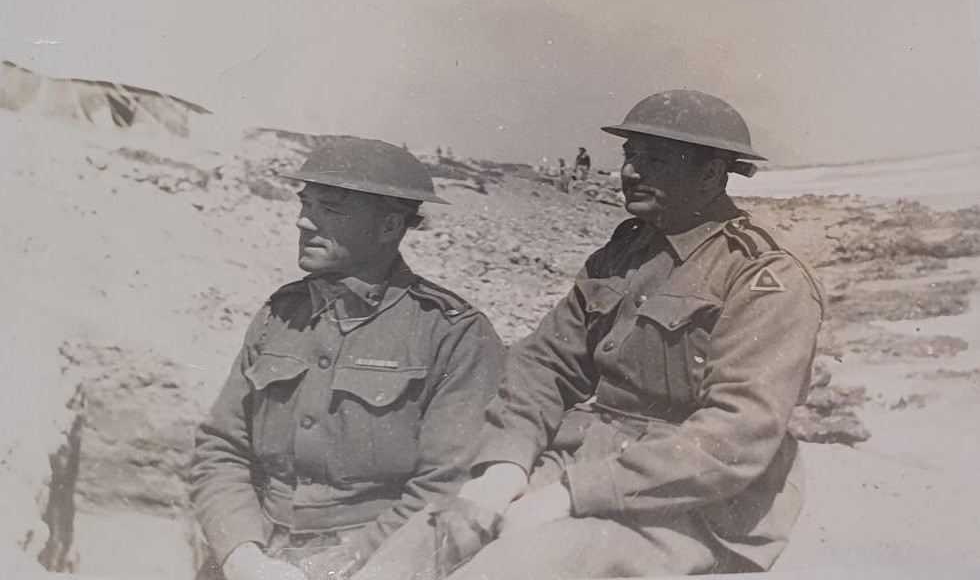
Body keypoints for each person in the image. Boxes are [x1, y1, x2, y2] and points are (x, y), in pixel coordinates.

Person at [353, 90, 825, 579]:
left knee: (510, 567)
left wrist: (573, 495)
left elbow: (736, 437)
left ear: (710, 175)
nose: (630, 172)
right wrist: (505, 468)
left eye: (655, 160)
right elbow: (544, 363)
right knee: (426, 539)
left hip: (694, 503)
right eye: (630, 155)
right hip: (587, 461)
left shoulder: (762, 276)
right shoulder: (624, 253)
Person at [190, 137, 506, 580]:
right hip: (255, 553)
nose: (303, 221)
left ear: (389, 226)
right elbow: (221, 448)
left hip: (375, 563)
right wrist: (242, 552)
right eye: (306, 204)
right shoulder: (281, 313)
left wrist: (337, 567)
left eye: (331, 209)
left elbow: (445, 486)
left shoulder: (452, 333)